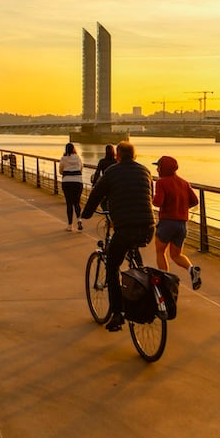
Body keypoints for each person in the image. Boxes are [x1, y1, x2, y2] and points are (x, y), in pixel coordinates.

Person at [81, 141, 156, 332]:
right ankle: (140, 276)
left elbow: (96, 194)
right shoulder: (146, 171)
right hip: (148, 227)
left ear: (118, 156)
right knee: (133, 252)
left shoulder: (112, 172)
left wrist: (86, 214)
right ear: (135, 155)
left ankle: (117, 314)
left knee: (113, 266)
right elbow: (151, 196)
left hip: (125, 228)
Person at [152, 156, 202, 290]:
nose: (156, 169)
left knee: (160, 251)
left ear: (163, 168)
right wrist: (182, 208)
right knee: (176, 255)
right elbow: (195, 200)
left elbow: (157, 202)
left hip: (167, 223)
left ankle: (165, 281)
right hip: (181, 224)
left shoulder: (162, 182)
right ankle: (191, 269)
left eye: (158, 166)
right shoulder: (184, 183)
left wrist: (151, 196)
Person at [58, 142, 85, 231]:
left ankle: (70, 226)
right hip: (77, 182)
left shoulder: (63, 158)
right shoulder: (78, 158)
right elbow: (81, 168)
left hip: (67, 182)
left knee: (69, 204)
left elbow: (60, 171)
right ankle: (79, 220)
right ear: (74, 149)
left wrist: (66, 172)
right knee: (76, 202)